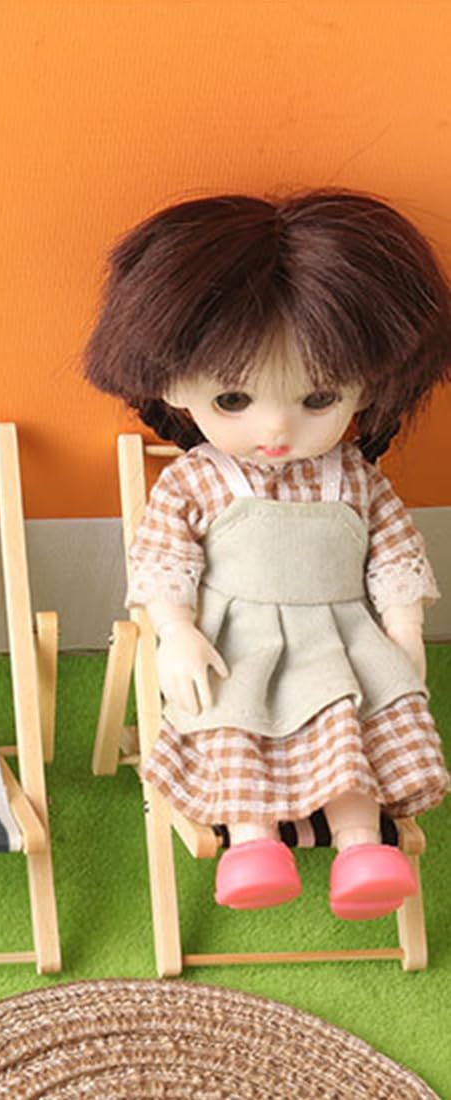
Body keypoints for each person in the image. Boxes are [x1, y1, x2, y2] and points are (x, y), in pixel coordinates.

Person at [85, 191, 451, 918]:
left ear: (367, 390)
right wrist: (176, 630)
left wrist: (405, 628)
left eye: (319, 399)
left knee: (350, 726)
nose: (277, 430)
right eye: (234, 401)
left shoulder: (355, 478)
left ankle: (361, 847)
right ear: (173, 383)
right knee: (233, 722)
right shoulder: (196, 480)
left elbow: (393, 554)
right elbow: (164, 559)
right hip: (237, 641)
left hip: (341, 639)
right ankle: (251, 843)